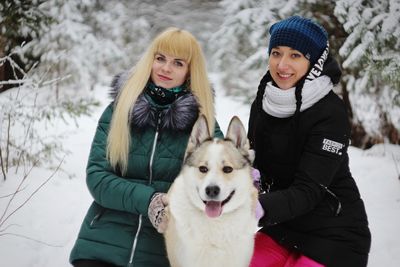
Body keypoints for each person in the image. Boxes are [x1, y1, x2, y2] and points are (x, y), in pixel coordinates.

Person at [69, 27, 223, 267]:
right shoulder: (119, 111)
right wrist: (149, 200)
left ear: (190, 72)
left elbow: (216, 183)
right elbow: (97, 178)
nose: (165, 68)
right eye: (160, 58)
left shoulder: (203, 125)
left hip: (163, 253)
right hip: (102, 243)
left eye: (178, 63)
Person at [247, 16, 371, 267]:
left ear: (314, 61)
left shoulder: (330, 112)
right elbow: (254, 159)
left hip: (334, 233)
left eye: (295, 55)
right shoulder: (264, 101)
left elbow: (309, 191)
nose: (282, 64)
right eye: (276, 53)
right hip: (282, 226)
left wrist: (256, 207)